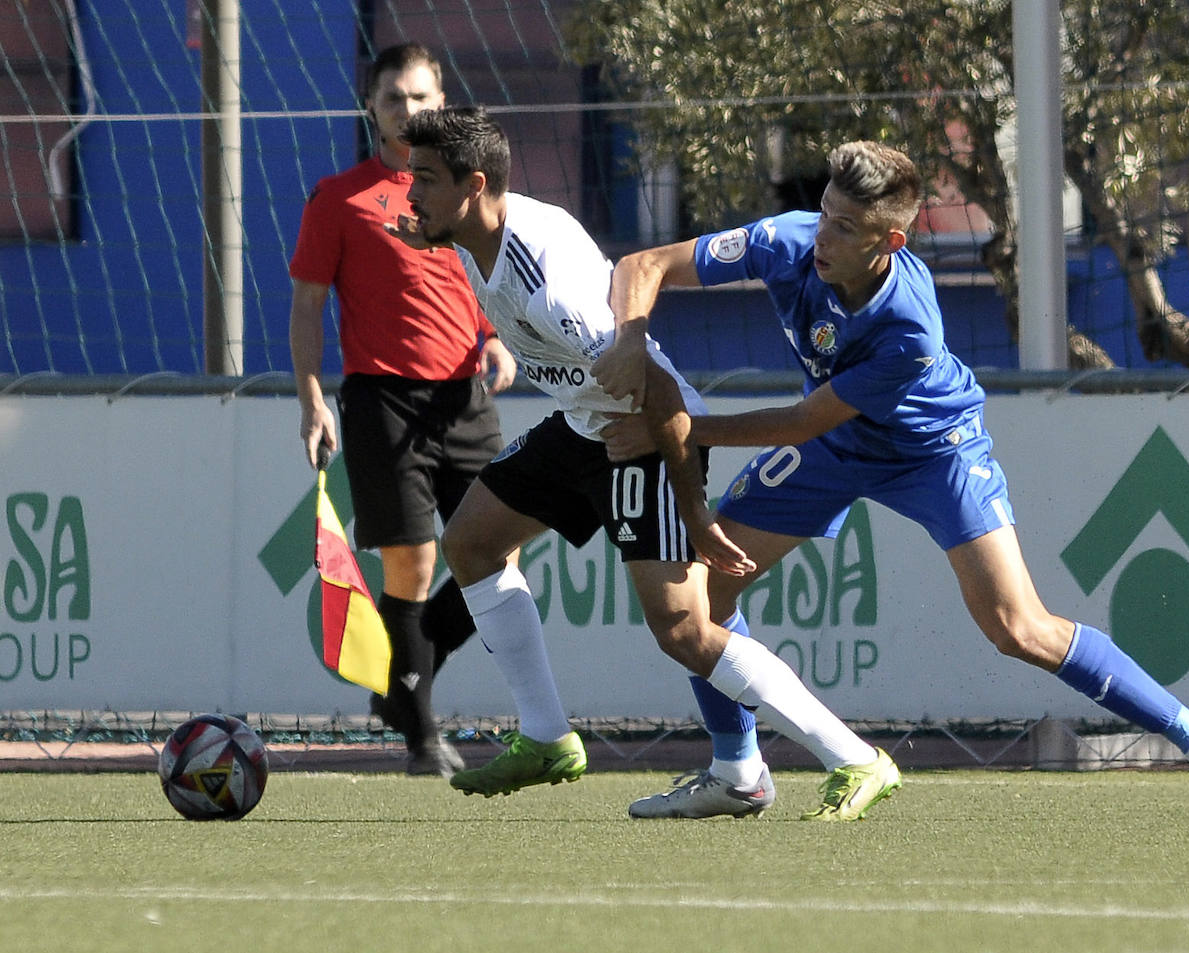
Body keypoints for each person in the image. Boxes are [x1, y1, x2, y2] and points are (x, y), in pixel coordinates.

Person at [594, 140, 1189, 821]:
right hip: (839, 444)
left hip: (934, 452)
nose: (821, 239)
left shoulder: (907, 326)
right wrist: (630, 340)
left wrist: (673, 426)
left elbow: (804, 419)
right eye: (824, 213)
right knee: (703, 596)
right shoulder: (785, 241)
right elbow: (642, 263)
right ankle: (738, 772)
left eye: (844, 227)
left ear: (889, 241)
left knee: (1017, 627)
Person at [386, 105, 902, 819]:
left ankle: (854, 756)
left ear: (475, 186)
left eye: (425, 182)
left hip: (647, 434)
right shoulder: (478, 227)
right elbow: (480, 248)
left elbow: (656, 387)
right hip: (584, 423)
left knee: (686, 631)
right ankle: (546, 736)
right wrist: (434, 233)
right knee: (472, 541)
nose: (409, 195)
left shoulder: (552, 288)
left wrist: (691, 505)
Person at [288, 44, 517, 776]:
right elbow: (307, 301)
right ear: (373, 107)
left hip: (466, 397)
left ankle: (402, 676)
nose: (408, 110)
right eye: (394, 98)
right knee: (411, 567)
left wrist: (496, 339)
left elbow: (484, 280)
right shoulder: (340, 198)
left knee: (502, 548)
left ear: (441, 101)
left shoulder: (464, 194)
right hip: (382, 400)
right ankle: (422, 740)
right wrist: (311, 395)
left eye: (420, 97)